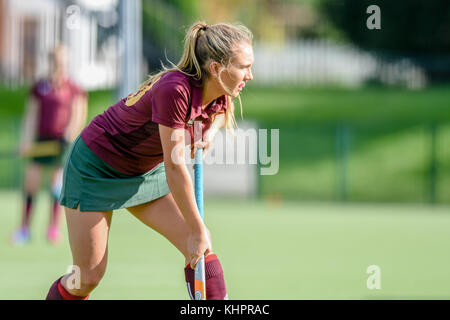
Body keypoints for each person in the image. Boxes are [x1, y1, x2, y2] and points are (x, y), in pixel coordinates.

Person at [44, 21, 253, 300]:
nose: (249, 75)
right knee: (87, 277)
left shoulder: (219, 89)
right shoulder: (175, 90)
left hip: (142, 171)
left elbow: (220, 111)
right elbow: (175, 166)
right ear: (215, 68)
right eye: (244, 66)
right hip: (96, 167)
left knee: (200, 250)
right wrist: (196, 226)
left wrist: (210, 132)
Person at [11, 45, 88, 246]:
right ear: (50, 61)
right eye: (56, 61)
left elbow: (78, 114)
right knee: (31, 183)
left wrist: (69, 135)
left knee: (56, 186)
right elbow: (31, 116)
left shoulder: (74, 88)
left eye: (62, 61)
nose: (59, 65)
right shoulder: (40, 87)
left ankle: (53, 229)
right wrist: (26, 142)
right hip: (41, 142)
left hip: (60, 144)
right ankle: (24, 229)